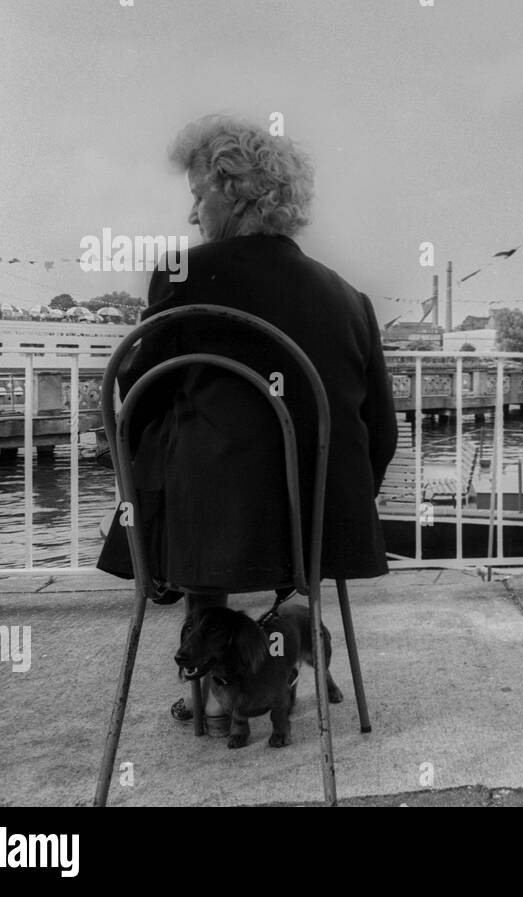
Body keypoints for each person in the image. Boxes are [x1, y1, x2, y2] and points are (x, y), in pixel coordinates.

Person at [97, 114, 397, 728]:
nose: (191, 215)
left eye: (196, 195)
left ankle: (200, 673)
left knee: (170, 440)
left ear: (232, 190)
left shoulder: (186, 273)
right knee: (223, 447)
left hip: (215, 528)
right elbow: (383, 432)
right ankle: (288, 642)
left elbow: (137, 399)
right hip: (320, 527)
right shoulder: (349, 298)